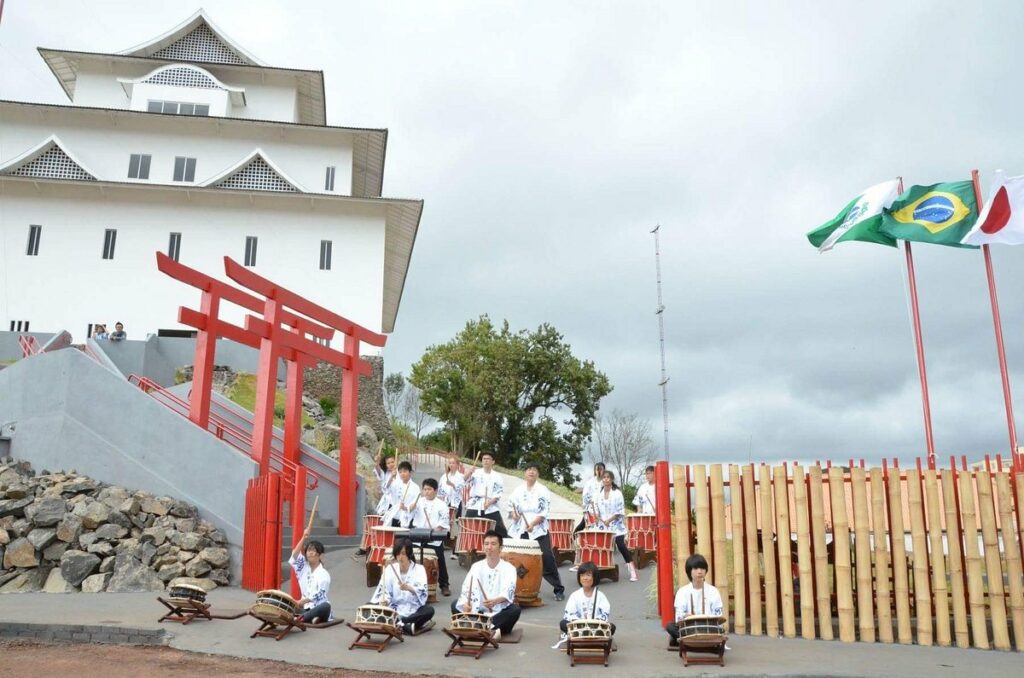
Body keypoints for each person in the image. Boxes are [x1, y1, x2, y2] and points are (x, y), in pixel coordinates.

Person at [508, 461, 564, 601]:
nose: (531, 472)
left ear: (538, 474)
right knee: (515, 557)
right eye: (528, 470)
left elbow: (544, 511)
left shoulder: (543, 490)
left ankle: (558, 589)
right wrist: (514, 515)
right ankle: (518, 588)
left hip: (538, 528)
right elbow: (512, 508)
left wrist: (533, 524)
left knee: (546, 557)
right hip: (520, 527)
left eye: (534, 470)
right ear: (525, 473)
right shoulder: (518, 490)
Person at [450, 529, 520, 641]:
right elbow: (467, 588)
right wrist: (466, 604)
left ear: (500, 548)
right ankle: (486, 630)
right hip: (477, 613)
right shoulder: (476, 566)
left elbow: (509, 591)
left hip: (498, 613)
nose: (489, 547)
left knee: (514, 610)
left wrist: (495, 601)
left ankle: (477, 628)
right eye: (486, 544)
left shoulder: (509, 568)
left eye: (493, 544)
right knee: (455, 604)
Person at [370, 538, 435, 635]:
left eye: (403, 554)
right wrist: (385, 601)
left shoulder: (419, 569)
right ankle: (407, 626)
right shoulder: (390, 569)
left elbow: (423, 592)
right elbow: (384, 590)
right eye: (398, 554)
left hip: (413, 609)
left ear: (409, 554)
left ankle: (400, 622)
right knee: (370, 605)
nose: (400, 557)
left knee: (429, 610)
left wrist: (410, 588)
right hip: (394, 608)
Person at [664, 553, 724, 646]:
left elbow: (718, 615)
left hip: (708, 628)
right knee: (670, 626)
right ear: (689, 571)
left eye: (702, 568)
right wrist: (686, 616)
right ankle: (694, 642)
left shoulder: (713, 591)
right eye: (696, 569)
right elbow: (679, 617)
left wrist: (707, 618)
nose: (700, 572)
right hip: (690, 628)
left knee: (721, 629)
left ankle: (684, 641)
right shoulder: (682, 591)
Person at [553, 561, 614, 648]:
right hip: (579, 626)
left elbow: (604, 614)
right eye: (582, 575)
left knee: (612, 627)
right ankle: (584, 635)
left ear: (595, 577)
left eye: (588, 575)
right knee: (563, 623)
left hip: (595, 627)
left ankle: (591, 636)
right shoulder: (575, 595)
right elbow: (569, 613)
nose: (585, 578)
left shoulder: (600, 596)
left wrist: (593, 623)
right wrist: (581, 623)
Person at [593, 470, 638, 581]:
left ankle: (632, 570)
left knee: (621, 545)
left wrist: (610, 519)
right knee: (600, 547)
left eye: (608, 477)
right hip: (602, 525)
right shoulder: (598, 494)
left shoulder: (617, 493)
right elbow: (594, 508)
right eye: (604, 477)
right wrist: (597, 516)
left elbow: (620, 510)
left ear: (612, 479)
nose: (606, 479)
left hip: (616, 525)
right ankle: (601, 570)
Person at [412, 477, 452, 596]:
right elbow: (409, 513)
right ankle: (414, 585)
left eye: (429, 489)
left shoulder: (442, 505)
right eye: (425, 489)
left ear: (435, 490)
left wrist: (436, 530)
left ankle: (444, 585)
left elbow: (444, 521)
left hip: (434, 536)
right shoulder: (419, 502)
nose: (426, 492)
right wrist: (409, 508)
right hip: (419, 535)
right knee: (414, 559)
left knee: (439, 560)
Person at [356, 451, 397, 557]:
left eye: (393, 462)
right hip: (386, 504)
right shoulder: (386, 474)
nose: (391, 464)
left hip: (397, 505)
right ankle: (366, 546)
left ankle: (389, 548)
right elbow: (385, 487)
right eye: (388, 463)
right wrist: (377, 463)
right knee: (375, 523)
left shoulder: (401, 473)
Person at [288, 528, 332, 623]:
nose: (310, 552)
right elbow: (294, 555)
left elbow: (320, 594)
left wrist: (304, 601)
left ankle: (300, 619)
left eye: (314, 551)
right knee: (286, 604)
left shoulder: (324, 574)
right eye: (308, 550)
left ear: (321, 556)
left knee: (325, 606)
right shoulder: (303, 568)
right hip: (304, 609)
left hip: (318, 607)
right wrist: (303, 537)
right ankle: (311, 618)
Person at [463, 452, 507, 538]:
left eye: (488, 459)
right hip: (475, 504)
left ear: (493, 462)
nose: (486, 461)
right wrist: (469, 472)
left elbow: (498, 493)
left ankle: (502, 547)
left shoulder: (497, 476)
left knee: (501, 530)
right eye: (484, 459)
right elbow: (464, 480)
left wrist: (489, 503)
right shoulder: (475, 473)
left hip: (490, 505)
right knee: (467, 527)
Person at [385, 460, 419, 528]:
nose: (402, 474)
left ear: (410, 472)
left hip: (408, 517)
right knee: (394, 536)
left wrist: (405, 508)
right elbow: (386, 488)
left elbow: (415, 504)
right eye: (400, 472)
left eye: (405, 471)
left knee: (404, 537)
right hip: (395, 515)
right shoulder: (395, 483)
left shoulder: (415, 487)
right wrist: (391, 477)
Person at [575, 462, 606, 535]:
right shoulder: (589, 482)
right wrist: (585, 510)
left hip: (604, 510)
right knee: (583, 525)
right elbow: (585, 497)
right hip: (591, 510)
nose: (599, 471)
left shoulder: (606, 482)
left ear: (604, 470)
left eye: (601, 469)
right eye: (597, 469)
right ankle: (571, 539)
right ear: (595, 471)